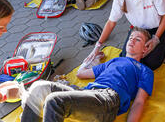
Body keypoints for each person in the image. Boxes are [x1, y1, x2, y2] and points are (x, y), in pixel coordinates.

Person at [20, 27, 154, 122]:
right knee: (39, 87)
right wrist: (94, 59)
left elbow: (139, 102)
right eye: (130, 37)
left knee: (54, 101)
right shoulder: (114, 60)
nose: (131, 41)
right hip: (87, 93)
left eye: (138, 40)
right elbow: (81, 74)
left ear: (145, 48)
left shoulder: (144, 70)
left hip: (108, 101)